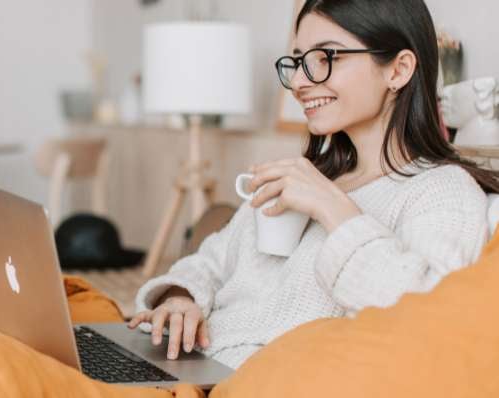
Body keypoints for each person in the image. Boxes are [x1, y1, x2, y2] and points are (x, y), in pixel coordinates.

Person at [128, 0, 499, 370]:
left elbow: (426, 318)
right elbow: (210, 260)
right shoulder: (308, 175)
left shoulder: (440, 191)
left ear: (398, 70)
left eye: (326, 58)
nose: (301, 82)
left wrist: (334, 208)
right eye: (299, 61)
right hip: (189, 363)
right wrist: (180, 298)